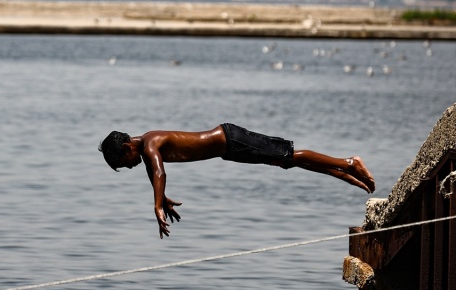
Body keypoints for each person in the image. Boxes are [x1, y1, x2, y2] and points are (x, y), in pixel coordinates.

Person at [99, 123, 375, 239]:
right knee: (287, 162)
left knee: (289, 156)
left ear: (126, 148)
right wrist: (163, 199)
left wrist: (157, 206)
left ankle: (348, 163)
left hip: (231, 140)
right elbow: (153, 173)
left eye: (125, 163)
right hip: (230, 149)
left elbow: (159, 172)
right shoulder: (147, 151)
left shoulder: (149, 144)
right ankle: (344, 173)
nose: (130, 166)